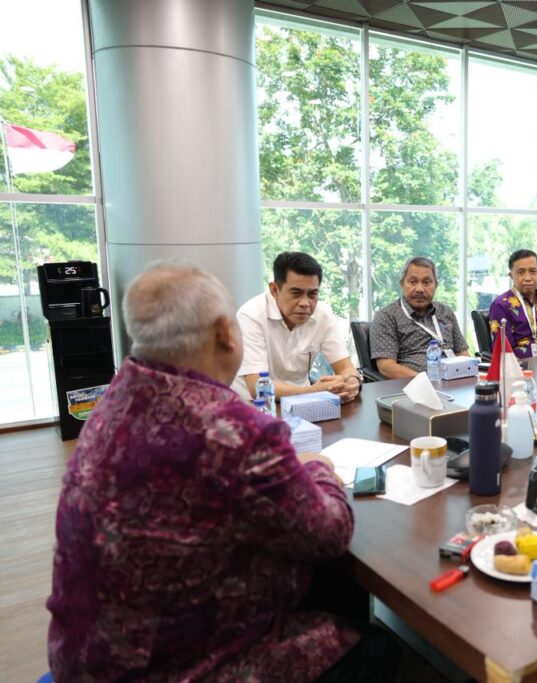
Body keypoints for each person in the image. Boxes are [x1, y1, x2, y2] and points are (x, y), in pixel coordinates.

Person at [47, 261, 399, 682]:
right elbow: (330, 534)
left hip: (83, 655)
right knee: (378, 647)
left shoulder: (110, 405)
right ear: (223, 332)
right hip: (176, 667)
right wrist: (320, 469)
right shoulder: (236, 432)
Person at [233, 252, 362, 401]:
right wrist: (313, 392)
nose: (305, 303)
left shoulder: (323, 314)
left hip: (303, 400)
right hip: (253, 404)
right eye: (296, 293)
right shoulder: (250, 316)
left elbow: (345, 367)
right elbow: (257, 386)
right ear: (274, 290)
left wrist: (351, 382)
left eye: (312, 294)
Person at [370, 256, 469, 378]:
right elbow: (386, 367)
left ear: (436, 285)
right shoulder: (387, 316)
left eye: (426, 282)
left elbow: (462, 352)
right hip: (415, 384)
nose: (419, 289)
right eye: (412, 282)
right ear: (402, 284)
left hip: (454, 380)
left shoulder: (445, 312)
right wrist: (424, 381)